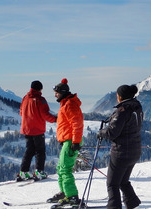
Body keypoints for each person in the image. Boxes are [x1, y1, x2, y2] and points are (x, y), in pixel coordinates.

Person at [97, 84, 143, 209]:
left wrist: (101, 133)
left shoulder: (123, 110)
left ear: (120, 96)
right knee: (123, 181)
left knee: (112, 184)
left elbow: (112, 133)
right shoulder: (136, 107)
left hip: (121, 152)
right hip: (135, 150)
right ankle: (132, 204)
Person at [47, 78, 84, 207]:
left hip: (71, 141)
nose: (55, 95)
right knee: (61, 168)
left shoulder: (70, 105)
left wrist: (75, 142)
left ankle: (72, 196)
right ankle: (65, 192)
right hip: (67, 140)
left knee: (65, 169)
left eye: (56, 92)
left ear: (62, 92)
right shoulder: (65, 104)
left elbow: (77, 124)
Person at [19, 80, 57, 181]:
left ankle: (23, 172)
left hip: (27, 129)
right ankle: (39, 172)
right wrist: (55, 119)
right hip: (37, 130)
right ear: (40, 89)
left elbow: (21, 113)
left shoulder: (25, 98)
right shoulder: (41, 100)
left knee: (29, 150)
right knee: (40, 151)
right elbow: (45, 114)